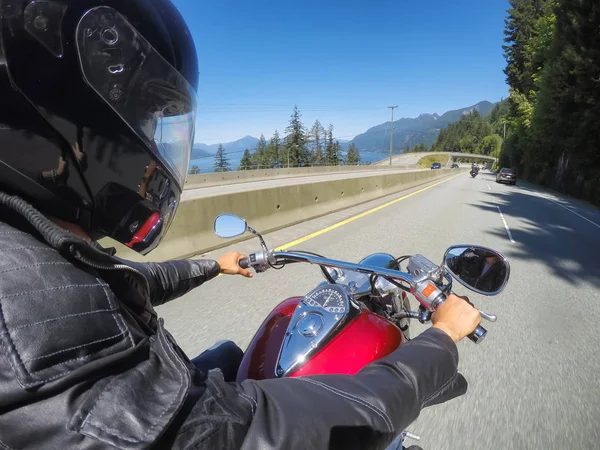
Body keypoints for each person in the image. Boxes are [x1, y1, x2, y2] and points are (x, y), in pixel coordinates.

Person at [0, 1, 482, 449]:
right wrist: (440, 340)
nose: (150, 148)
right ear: (75, 122)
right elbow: (254, 431)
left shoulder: (30, 256)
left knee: (232, 356)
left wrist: (214, 265)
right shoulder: (33, 324)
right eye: (146, 122)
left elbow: (119, 283)